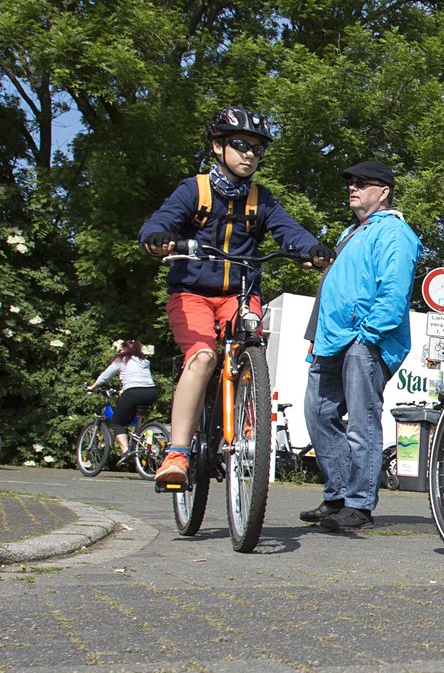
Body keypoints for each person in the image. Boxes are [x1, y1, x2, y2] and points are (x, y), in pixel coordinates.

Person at [140, 106, 332, 490]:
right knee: (204, 356)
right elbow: (160, 221)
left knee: (250, 345)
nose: (249, 155)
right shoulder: (194, 189)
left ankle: (246, 419)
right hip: (192, 293)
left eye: (257, 150)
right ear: (217, 145)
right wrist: (159, 238)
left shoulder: (261, 199)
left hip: (239, 292)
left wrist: (312, 249)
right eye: (241, 145)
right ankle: (177, 453)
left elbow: (288, 230)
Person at [299, 160, 421, 532]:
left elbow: (394, 291)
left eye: (362, 183)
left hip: (364, 341)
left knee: (362, 421)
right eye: (350, 182)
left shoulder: (394, 233)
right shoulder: (351, 233)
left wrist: (368, 336)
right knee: (318, 413)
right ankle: (337, 495)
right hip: (332, 339)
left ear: (382, 192)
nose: (352, 188)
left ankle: (359, 505)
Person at [86, 339, 160, 463]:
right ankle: (138, 439)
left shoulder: (121, 360)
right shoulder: (144, 361)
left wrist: (92, 387)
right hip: (151, 392)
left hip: (133, 393)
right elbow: (139, 378)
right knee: (131, 417)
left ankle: (126, 451)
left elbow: (105, 376)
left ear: (124, 349)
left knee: (117, 422)